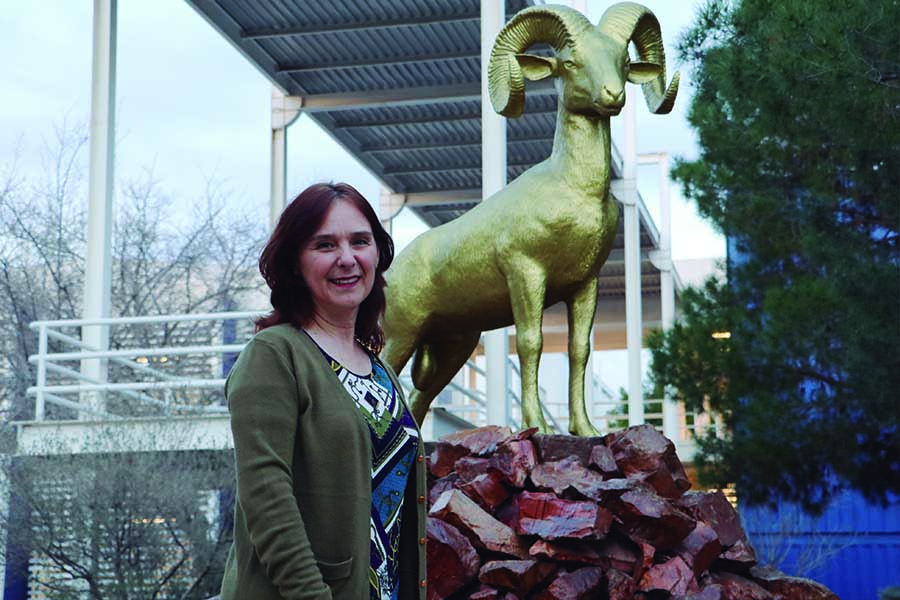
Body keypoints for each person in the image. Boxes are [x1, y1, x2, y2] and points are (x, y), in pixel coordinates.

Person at [219, 183, 427, 600]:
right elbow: (266, 497)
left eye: (360, 241)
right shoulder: (275, 355)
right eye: (325, 244)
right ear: (296, 262)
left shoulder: (380, 369)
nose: (347, 258)